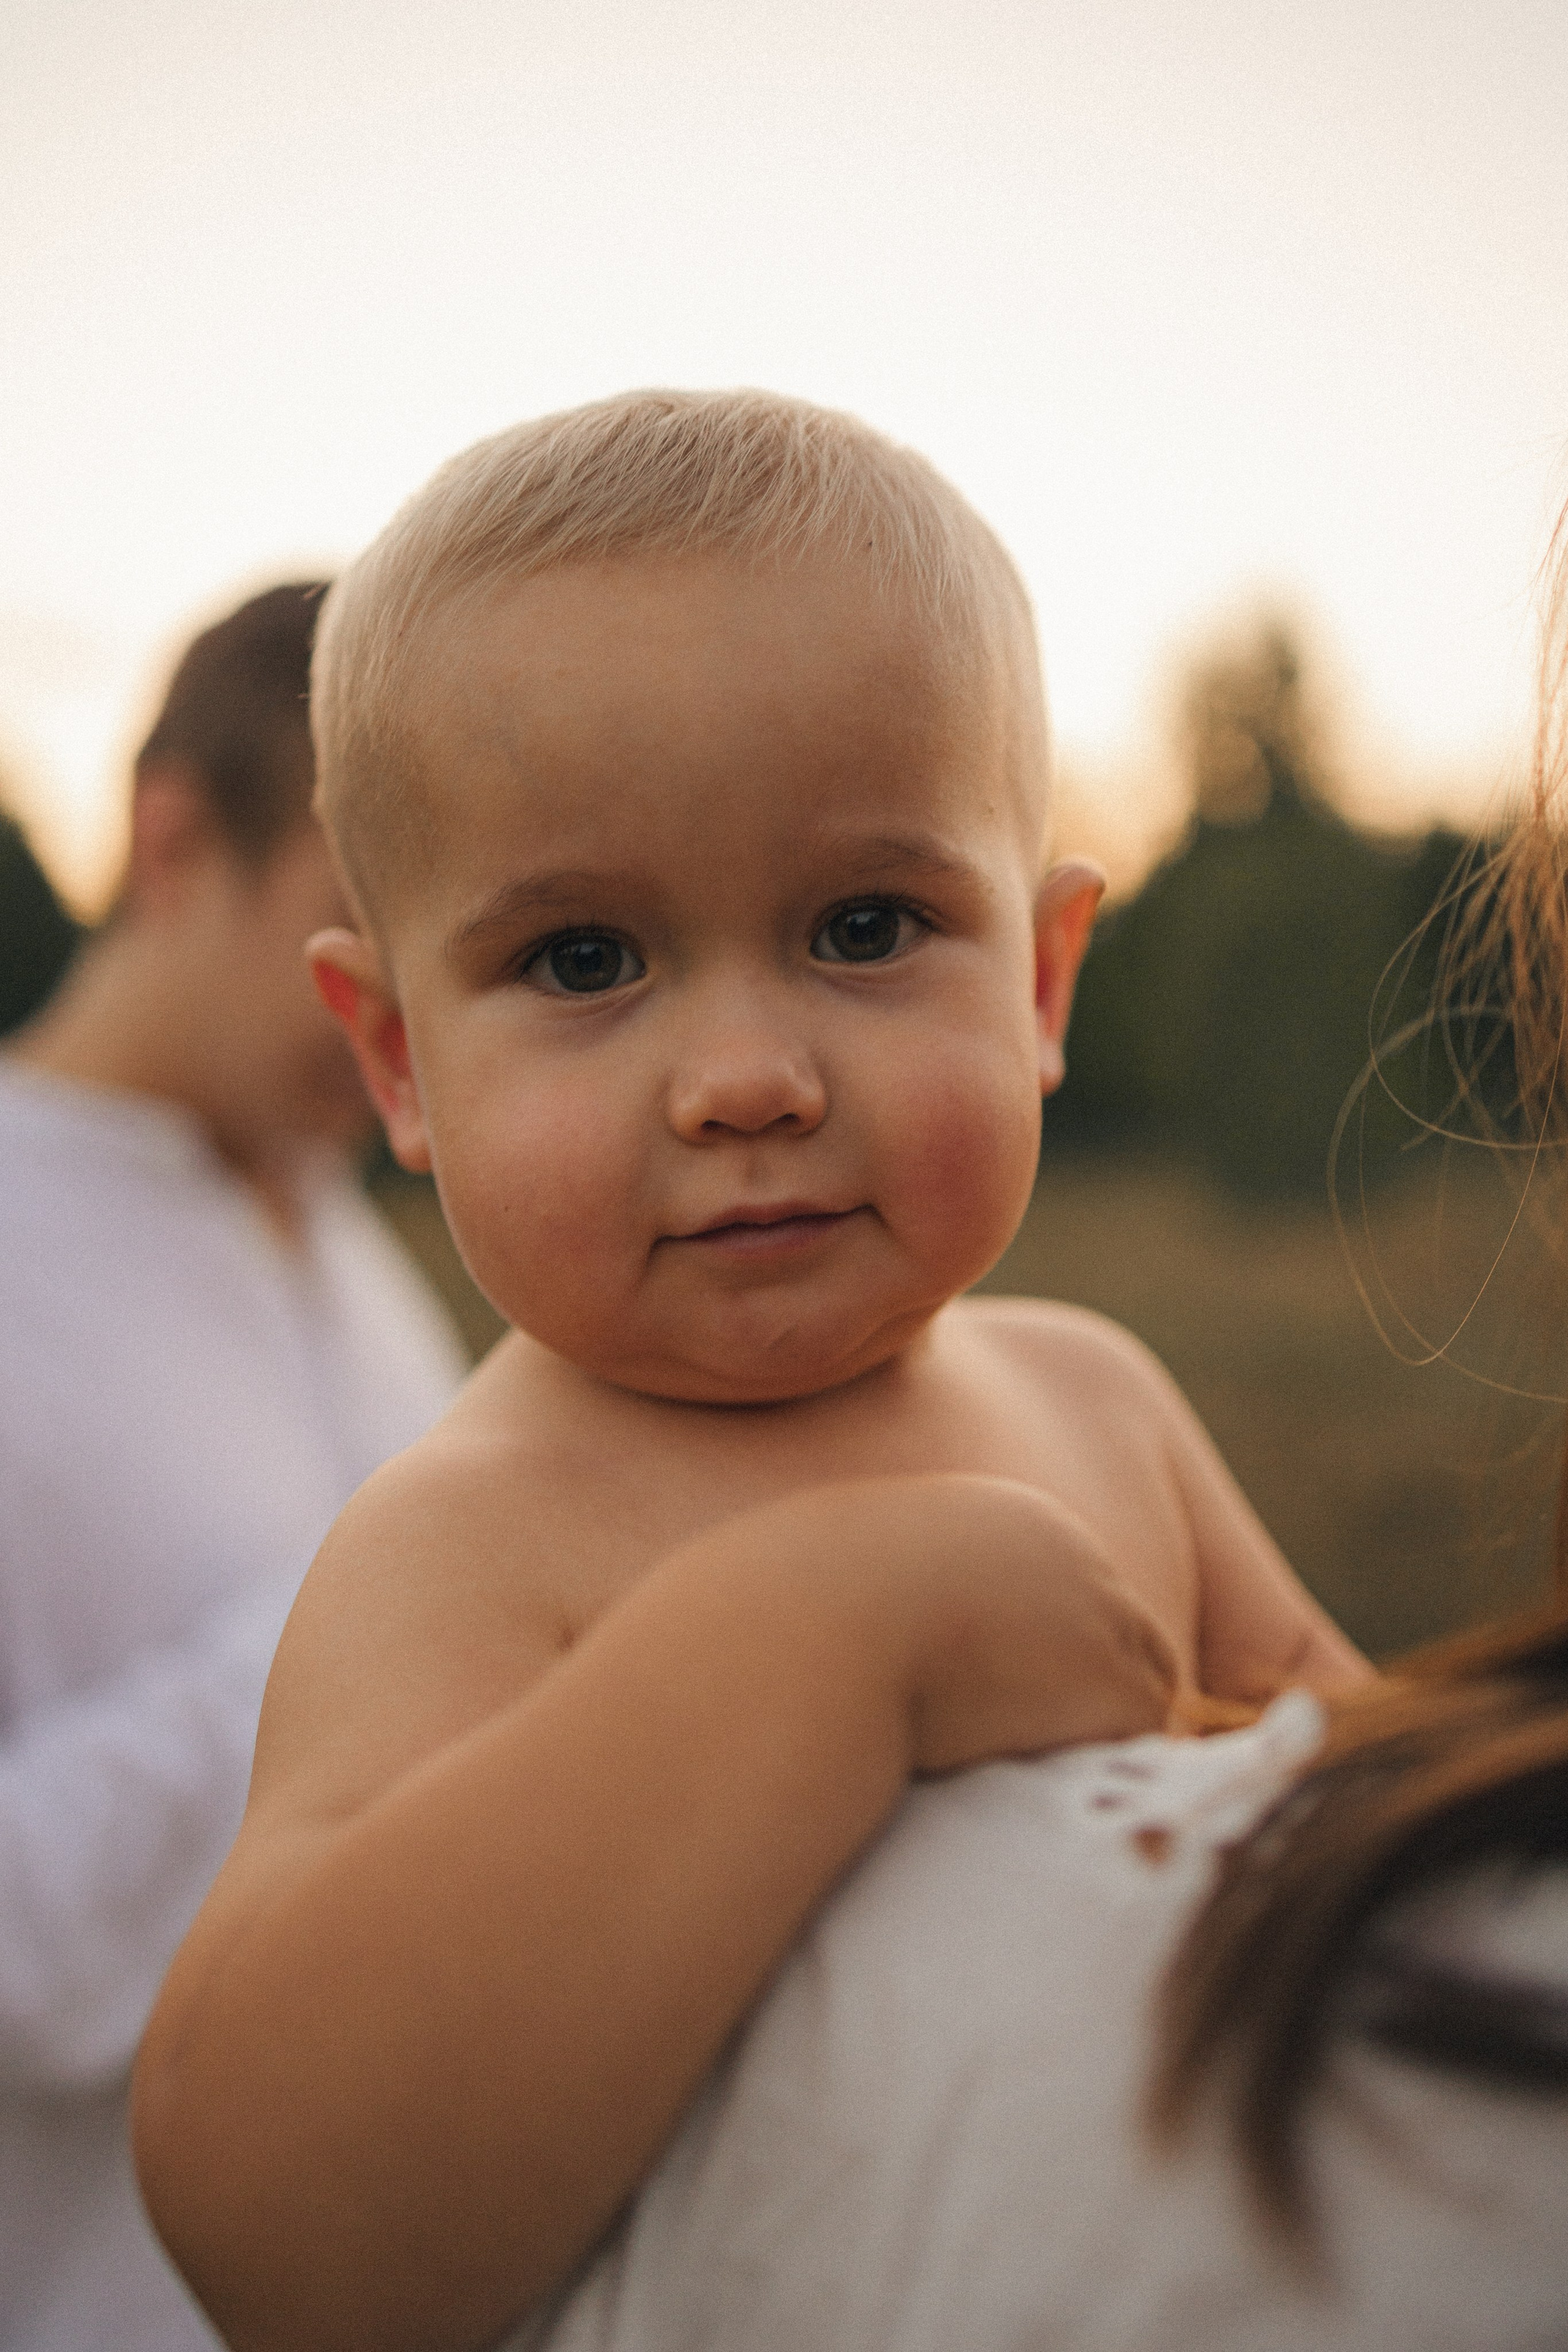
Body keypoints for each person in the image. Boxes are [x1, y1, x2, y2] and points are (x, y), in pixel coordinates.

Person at [131, 390, 1370, 2352]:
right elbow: (268, 2224)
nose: (745, 1081)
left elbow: (1385, 1854)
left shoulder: (1106, 1402)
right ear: (396, 1063)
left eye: (866, 926)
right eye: (583, 961)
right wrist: (825, 1640)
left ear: (1039, 984)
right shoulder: (471, 1544)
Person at [0, 584, 466, 2352]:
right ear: (173, 843)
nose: (411, 1033)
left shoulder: (343, 1237)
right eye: (360, 937)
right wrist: (407, 1606)